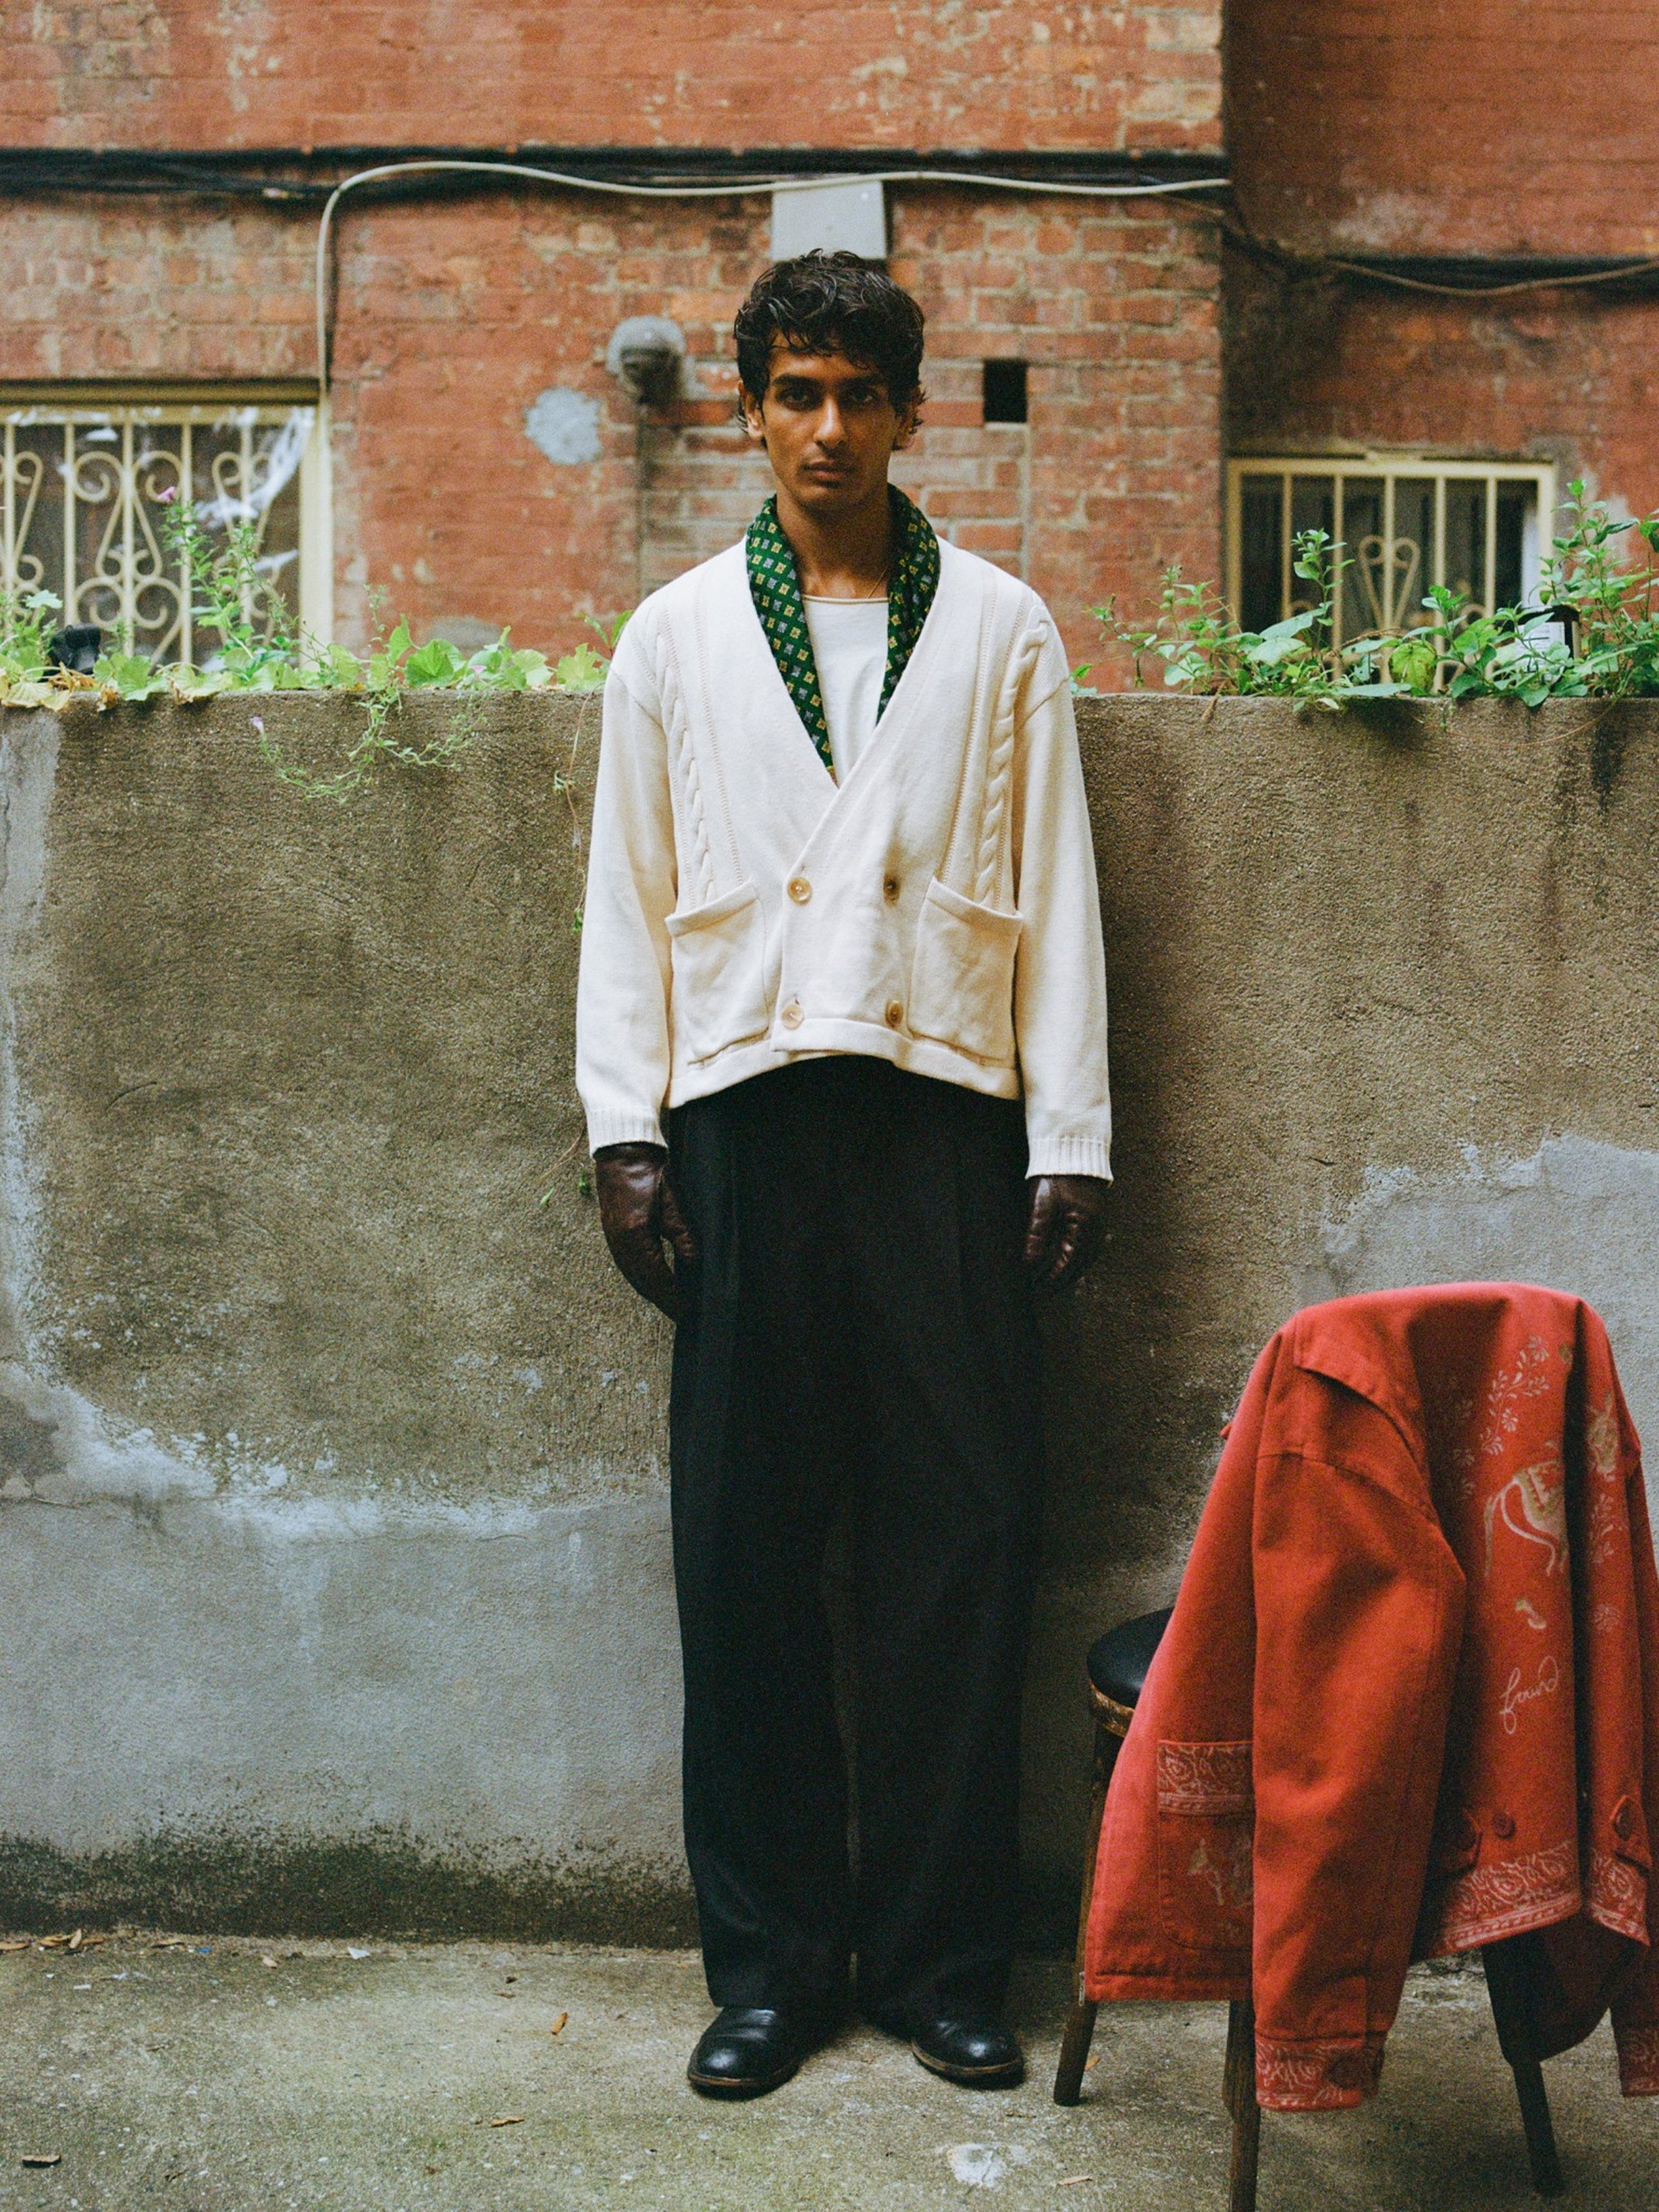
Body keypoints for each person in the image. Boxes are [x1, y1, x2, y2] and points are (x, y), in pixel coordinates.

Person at [575, 251, 1112, 2100]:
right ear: (748, 408)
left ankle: (949, 1955)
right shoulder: (672, 641)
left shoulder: (1000, 630)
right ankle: (773, 1963)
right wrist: (623, 1131)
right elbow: (624, 900)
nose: (823, 428)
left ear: (905, 411)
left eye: (854, 395)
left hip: (944, 1122)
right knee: (742, 1558)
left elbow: (1057, 892)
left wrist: (1068, 1137)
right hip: (738, 1119)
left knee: (959, 1549)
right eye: (791, 392)